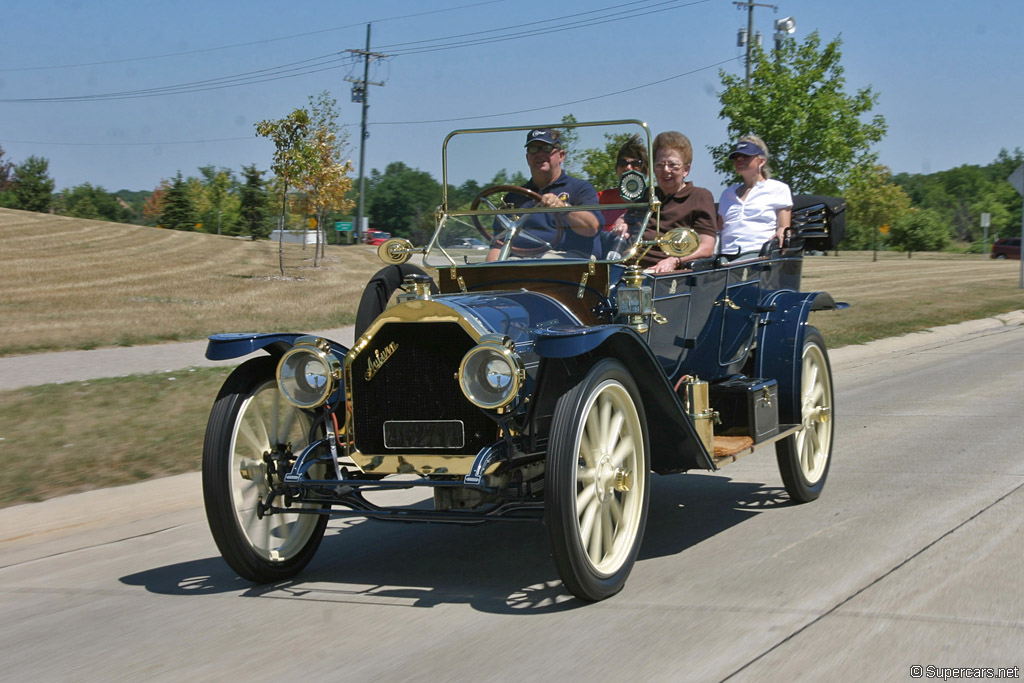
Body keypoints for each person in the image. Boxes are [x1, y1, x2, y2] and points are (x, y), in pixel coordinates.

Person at [486, 129, 601, 261]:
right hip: (521, 261)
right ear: (527, 158)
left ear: (561, 155)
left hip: (570, 261)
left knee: (540, 264)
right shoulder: (513, 197)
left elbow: (591, 228)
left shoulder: (580, 189)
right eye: (533, 149)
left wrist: (562, 207)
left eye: (547, 148)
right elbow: (499, 244)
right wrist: (489, 273)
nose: (540, 154)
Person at [632, 131, 718, 273]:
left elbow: (707, 247)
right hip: (631, 269)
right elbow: (628, 224)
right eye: (659, 165)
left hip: (671, 274)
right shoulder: (645, 196)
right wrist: (621, 222)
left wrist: (674, 261)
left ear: (686, 170)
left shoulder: (700, 197)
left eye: (673, 165)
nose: (666, 170)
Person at [718, 134, 792, 260]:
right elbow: (719, 229)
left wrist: (782, 232)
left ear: (761, 161)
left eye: (746, 156)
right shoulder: (727, 194)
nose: (739, 159)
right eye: (736, 156)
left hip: (758, 254)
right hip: (725, 256)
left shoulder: (778, 189)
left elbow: (783, 228)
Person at [598, 134, 648, 230]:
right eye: (623, 163)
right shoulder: (601, 198)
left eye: (635, 163)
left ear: (644, 169)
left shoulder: (651, 199)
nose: (628, 167)